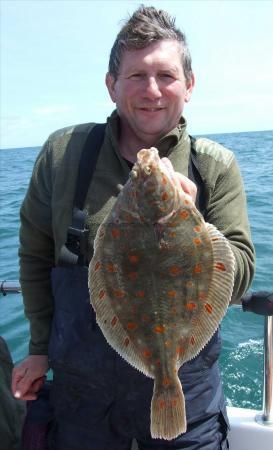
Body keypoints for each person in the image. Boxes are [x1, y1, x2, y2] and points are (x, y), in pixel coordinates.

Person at [12, 5, 255, 450]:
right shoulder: (63, 154)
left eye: (166, 75)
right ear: (111, 86)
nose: (152, 90)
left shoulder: (216, 166)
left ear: (189, 85)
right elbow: (35, 255)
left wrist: (195, 225)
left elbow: (238, 277)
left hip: (189, 394)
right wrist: (38, 346)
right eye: (136, 76)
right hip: (82, 397)